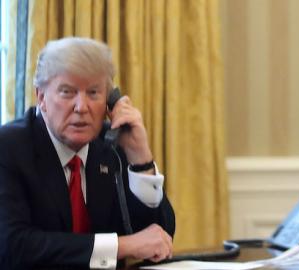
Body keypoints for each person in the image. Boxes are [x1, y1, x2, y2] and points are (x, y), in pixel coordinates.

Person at [0, 37, 175, 269]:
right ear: (41, 97)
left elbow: (158, 238)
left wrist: (140, 158)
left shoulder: (111, 145)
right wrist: (121, 246)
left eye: (93, 93)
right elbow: (13, 246)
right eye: (67, 92)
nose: (82, 107)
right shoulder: (9, 147)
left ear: (109, 102)